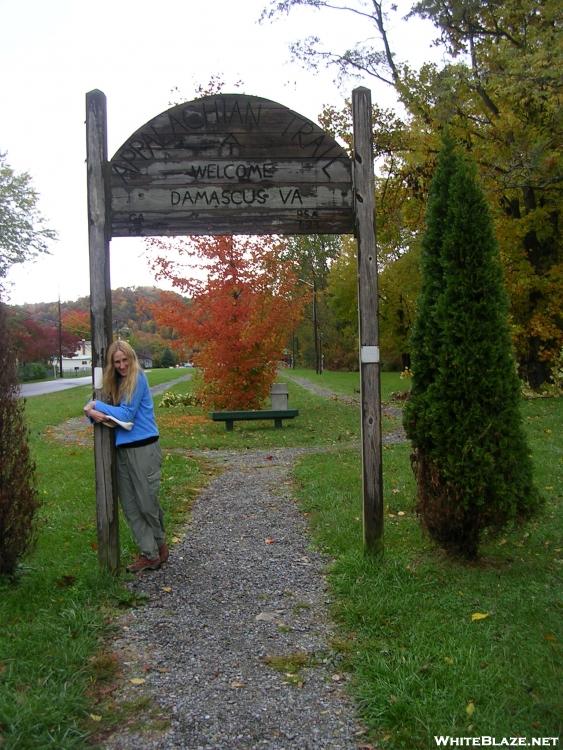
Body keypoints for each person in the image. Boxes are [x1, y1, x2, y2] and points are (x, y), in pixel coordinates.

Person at [84, 341, 168, 573]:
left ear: (131, 358)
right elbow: (109, 415)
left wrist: (96, 406)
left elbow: (127, 414)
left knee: (146, 502)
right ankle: (149, 553)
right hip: (122, 449)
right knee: (130, 505)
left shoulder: (138, 378)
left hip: (144, 447)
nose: (122, 365)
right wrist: (92, 413)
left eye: (125, 360)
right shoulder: (113, 383)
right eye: (117, 361)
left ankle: (160, 544)